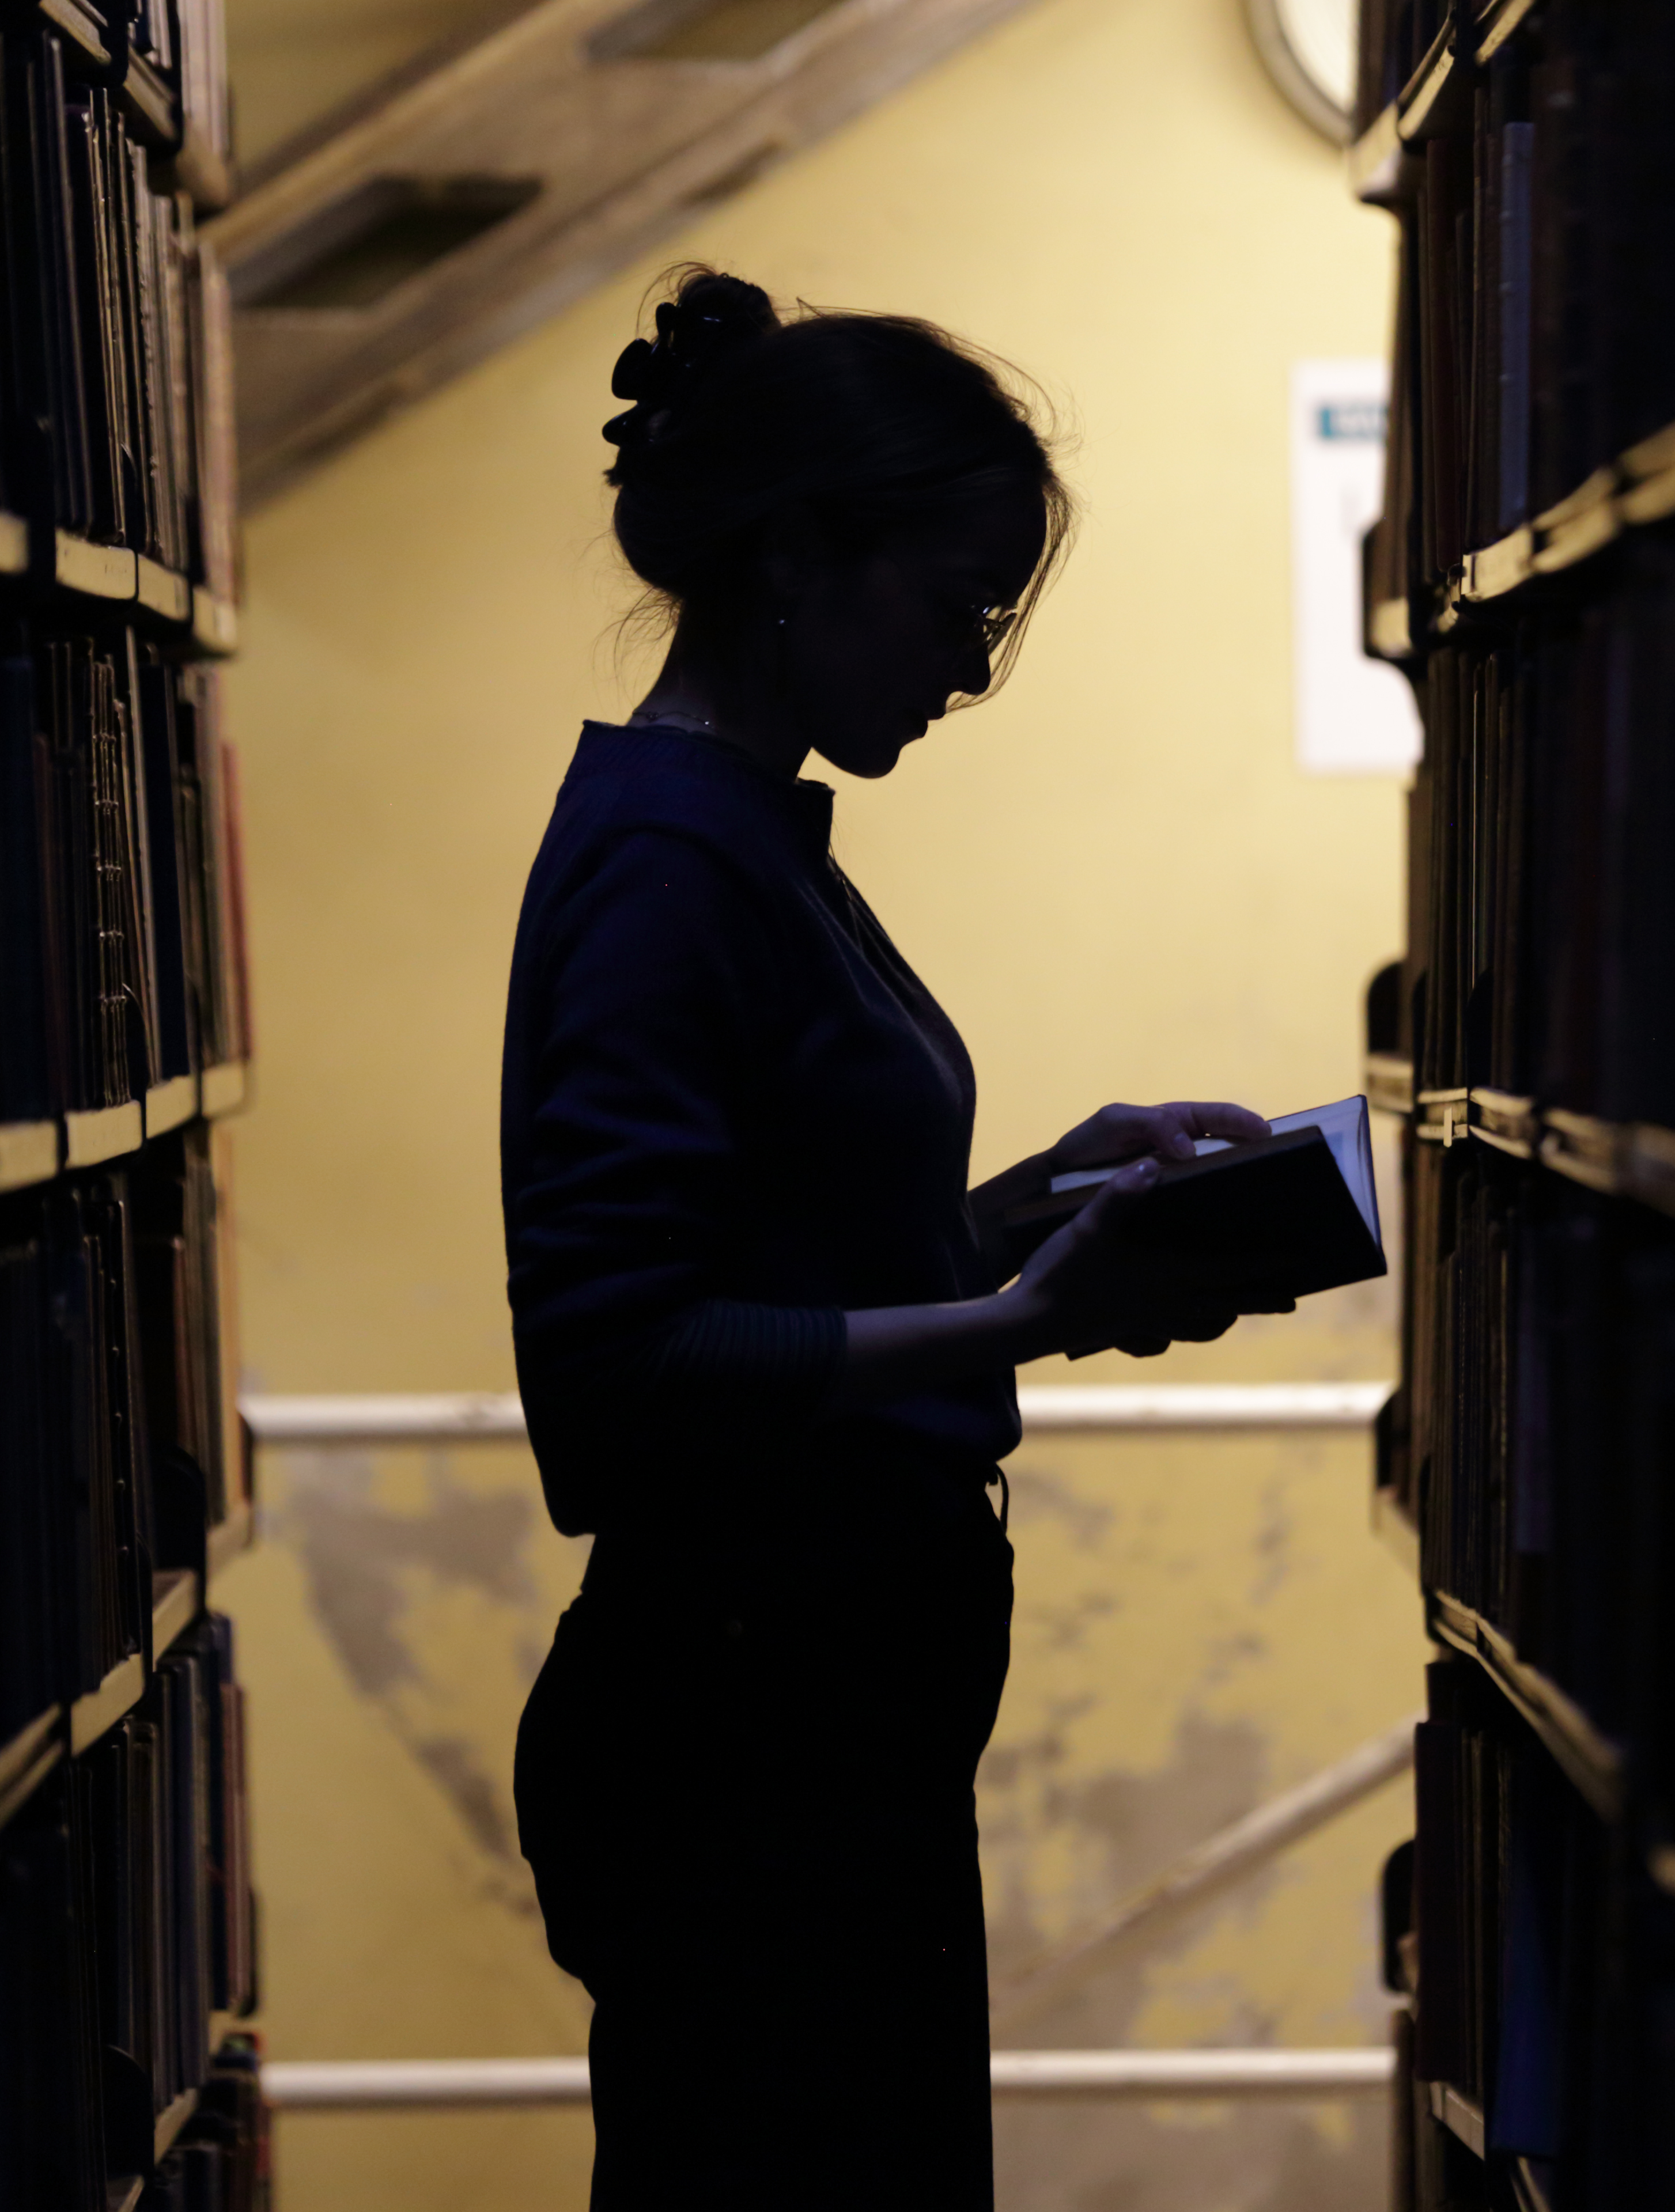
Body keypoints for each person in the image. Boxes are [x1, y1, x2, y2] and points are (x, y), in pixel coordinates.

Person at [502, 267, 1284, 2209]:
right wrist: (1022, 1312)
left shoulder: (744, 837)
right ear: (798, 562)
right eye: (957, 608)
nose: (971, 670)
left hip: (824, 1707)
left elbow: (790, 1250)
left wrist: (1039, 1198)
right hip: (749, 1735)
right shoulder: (677, 864)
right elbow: (618, 1371)